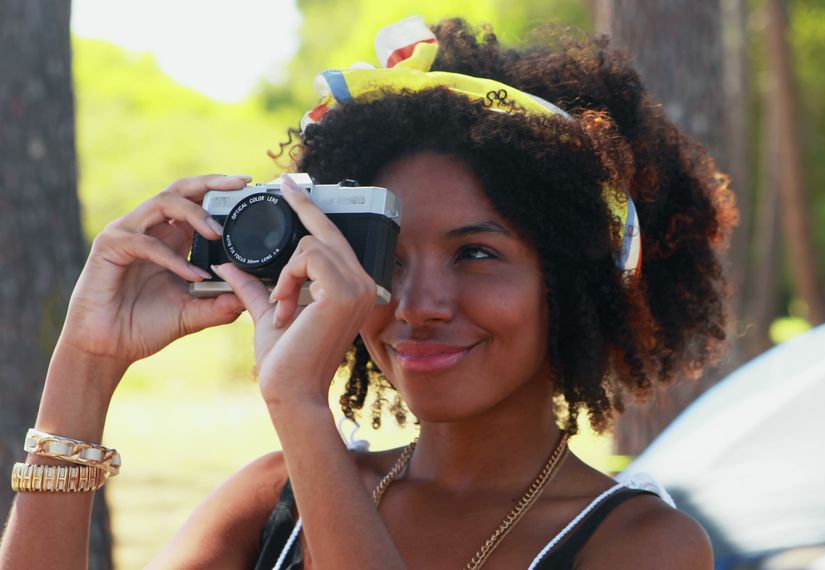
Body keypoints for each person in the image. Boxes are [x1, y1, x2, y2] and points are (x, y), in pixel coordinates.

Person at [0, 16, 735, 569]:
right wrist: (87, 362)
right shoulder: (270, 507)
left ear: (573, 280)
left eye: (476, 253)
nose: (418, 303)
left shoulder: (638, 543)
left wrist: (299, 407)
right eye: (387, 255)